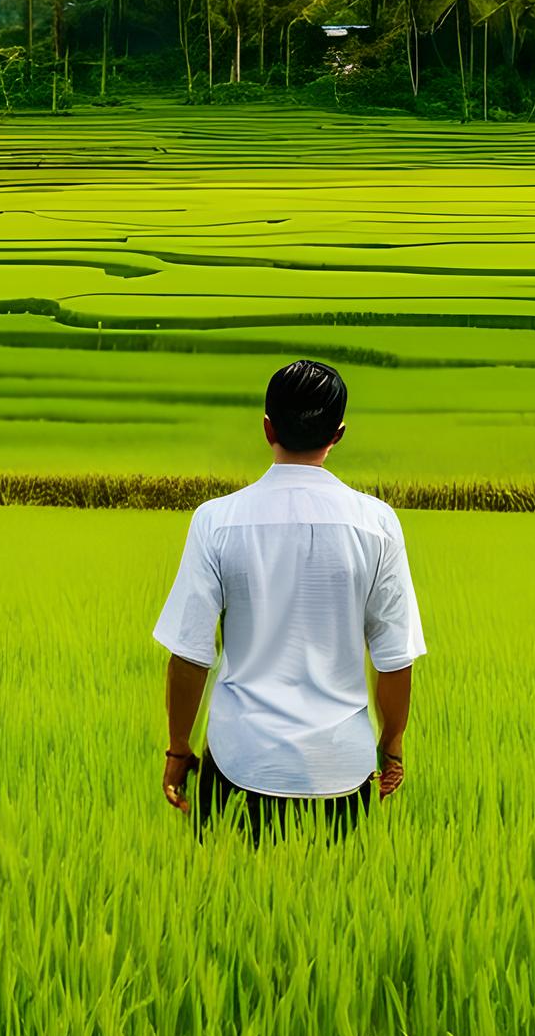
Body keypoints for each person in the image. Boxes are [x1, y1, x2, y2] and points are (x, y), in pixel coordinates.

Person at [153, 359, 425, 839]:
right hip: (342, 766)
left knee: (222, 908)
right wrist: (393, 744)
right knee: (341, 909)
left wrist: (179, 748)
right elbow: (394, 658)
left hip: (241, 762)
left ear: (266, 427)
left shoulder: (216, 521)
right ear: (338, 434)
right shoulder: (378, 525)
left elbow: (190, 655)